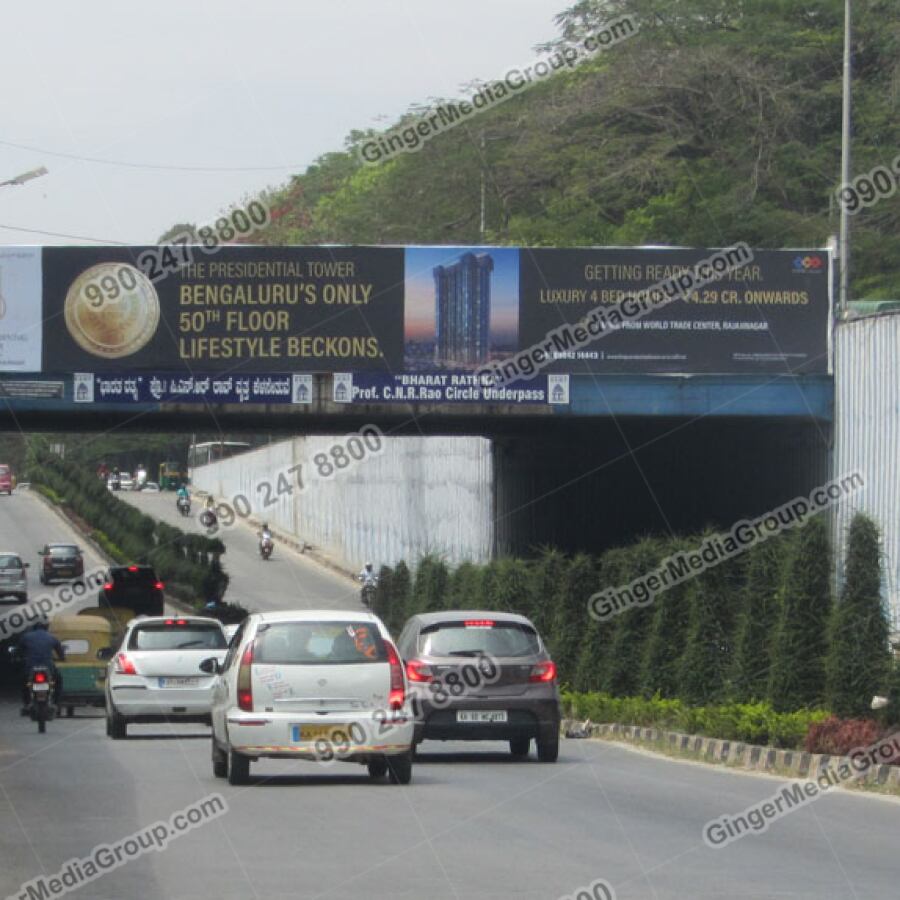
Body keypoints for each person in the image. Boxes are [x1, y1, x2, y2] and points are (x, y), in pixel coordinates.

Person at [18, 622, 65, 713]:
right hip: (48, 666)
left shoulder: (26, 637)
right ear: (46, 627)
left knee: (24, 681)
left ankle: (26, 703)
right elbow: (61, 654)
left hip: (31, 666)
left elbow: (19, 651)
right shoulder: (52, 637)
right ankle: (56, 703)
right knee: (59, 680)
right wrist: (62, 658)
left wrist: (19, 658)